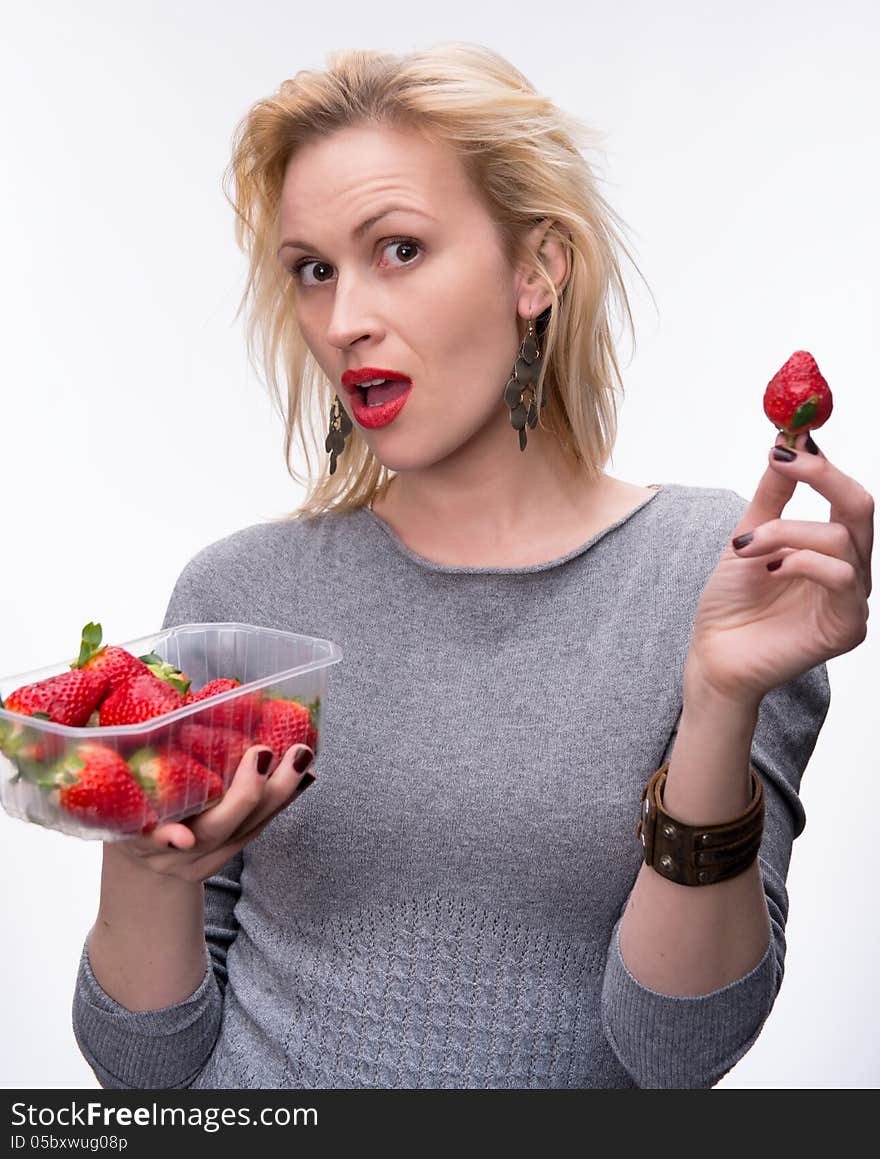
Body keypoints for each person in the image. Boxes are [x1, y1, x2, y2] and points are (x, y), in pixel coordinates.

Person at [71, 42, 873, 1090]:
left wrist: (719, 701)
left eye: (396, 249)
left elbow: (677, 1051)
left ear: (535, 269)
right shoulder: (236, 595)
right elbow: (142, 1070)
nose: (344, 318)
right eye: (314, 269)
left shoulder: (717, 576)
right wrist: (145, 867)